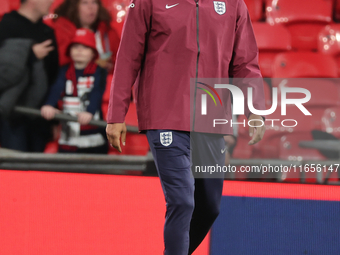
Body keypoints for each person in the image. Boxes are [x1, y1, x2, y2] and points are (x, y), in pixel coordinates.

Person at [106, 0, 266, 254]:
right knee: (181, 201)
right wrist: (116, 114)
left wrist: (255, 109)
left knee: (210, 206)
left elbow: (245, 61)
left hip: (210, 117)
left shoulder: (234, 4)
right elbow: (127, 58)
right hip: (164, 115)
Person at [0, 0, 59, 152]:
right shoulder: (5, 26)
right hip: (12, 115)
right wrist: (29, 54)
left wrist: (53, 120)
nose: (51, 2)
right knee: (16, 168)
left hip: (39, 116)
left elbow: (53, 76)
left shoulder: (47, 31)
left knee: (37, 172)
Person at [41, 28, 108, 154]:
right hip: (69, 132)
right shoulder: (64, 70)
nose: (79, 50)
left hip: (92, 130)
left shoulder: (99, 71)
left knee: (95, 165)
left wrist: (89, 112)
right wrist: (49, 105)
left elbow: (97, 92)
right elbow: (56, 89)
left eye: (85, 47)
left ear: (93, 53)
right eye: (75, 46)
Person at [47, 0, 120, 72]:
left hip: (105, 80)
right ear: (74, 7)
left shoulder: (107, 30)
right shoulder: (62, 30)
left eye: (94, 2)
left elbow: (122, 60)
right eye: (84, 3)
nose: (91, 7)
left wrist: (111, 65)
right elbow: (55, 62)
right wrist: (91, 64)